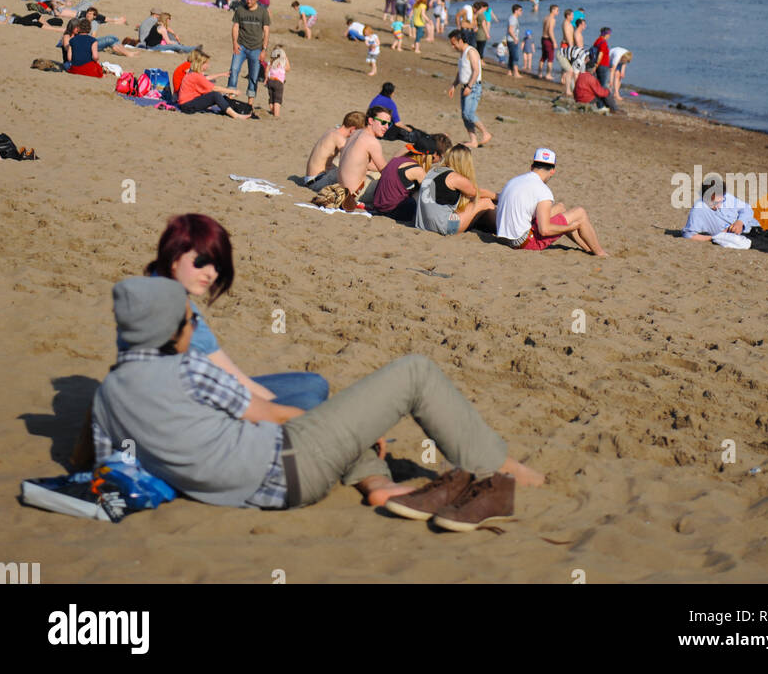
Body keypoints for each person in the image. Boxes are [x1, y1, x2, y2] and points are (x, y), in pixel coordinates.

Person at [93, 276, 543, 524]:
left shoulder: (108, 396)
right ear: (169, 326)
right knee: (414, 373)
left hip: (249, 492)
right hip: (290, 467)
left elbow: (98, 460)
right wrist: (357, 428)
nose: (194, 324)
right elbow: (271, 415)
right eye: (189, 318)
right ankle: (497, 469)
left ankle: (377, 484)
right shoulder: (188, 368)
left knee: (330, 411)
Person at [138, 215, 328, 409]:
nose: (211, 273)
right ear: (174, 257)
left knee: (316, 384)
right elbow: (221, 383)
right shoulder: (166, 309)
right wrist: (275, 409)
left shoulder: (169, 292)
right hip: (189, 409)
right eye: (201, 261)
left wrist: (273, 405)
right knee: (308, 404)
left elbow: (225, 370)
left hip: (210, 390)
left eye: (217, 265)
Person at [494, 149, 608, 254]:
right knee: (580, 213)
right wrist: (570, 227)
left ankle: (587, 248)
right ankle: (600, 253)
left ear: (531, 167)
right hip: (522, 242)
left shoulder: (514, 180)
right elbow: (544, 230)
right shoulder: (543, 190)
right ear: (552, 171)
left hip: (504, 237)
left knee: (560, 208)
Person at [414, 144, 496, 236]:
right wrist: (497, 196)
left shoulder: (433, 171)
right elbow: (476, 192)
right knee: (485, 202)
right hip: (443, 226)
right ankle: (501, 230)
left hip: (424, 224)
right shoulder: (454, 178)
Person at [374, 136, 452, 221]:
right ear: (427, 156)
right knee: (423, 195)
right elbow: (432, 196)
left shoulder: (398, 159)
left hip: (378, 206)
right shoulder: (418, 170)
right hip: (391, 211)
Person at [338, 106, 392, 209]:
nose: (386, 127)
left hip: (342, 190)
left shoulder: (356, 133)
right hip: (355, 194)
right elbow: (387, 173)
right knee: (395, 184)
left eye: (389, 124)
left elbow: (362, 163)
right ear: (371, 120)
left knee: (375, 174)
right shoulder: (372, 141)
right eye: (383, 123)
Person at [178, 49, 253, 119]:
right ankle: (235, 115)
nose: (208, 65)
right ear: (201, 64)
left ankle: (233, 110)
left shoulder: (193, 73)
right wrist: (233, 91)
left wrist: (222, 74)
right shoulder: (196, 76)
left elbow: (207, 78)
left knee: (216, 94)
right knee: (215, 95)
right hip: (187, 106)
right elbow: (214, 88)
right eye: (206, 63)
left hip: (186, 104)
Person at [447, 30, 491, 148]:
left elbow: (476, 71)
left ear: (460, 41)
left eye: (454, 43)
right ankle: (473, 140)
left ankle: (486, 133)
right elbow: (460, 71)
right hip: (464, 86)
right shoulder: (462, 53)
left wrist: (470, 87)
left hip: (474, 86)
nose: (453, 46)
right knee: (464, 115)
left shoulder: (471, 51)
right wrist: (454, 85)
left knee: (469, 113)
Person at [304, 112, 366, 193]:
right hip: (316, 182)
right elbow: (351, 158)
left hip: (311, 178)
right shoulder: (338, 138)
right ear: (353, 130)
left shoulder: (332, 132)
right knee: (350, 169)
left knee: (338, 163)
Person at [228, 0, 270, 106]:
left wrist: (264, 49)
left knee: (253, 76)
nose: (249, 1)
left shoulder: (263, 12)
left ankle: (249, 104)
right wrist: (235, 43)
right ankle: (230, 98)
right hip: (241, 47)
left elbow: (266, 31)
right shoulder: (240, 10)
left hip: (256, 49)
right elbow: (235, 27)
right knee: (234, 71)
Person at [266, 46, 290, 118]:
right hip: (278, 82)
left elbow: (267, 69)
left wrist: (266, 78)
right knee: (277, 99)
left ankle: (272, 110)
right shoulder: (282, 62)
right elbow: (288, 68)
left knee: (271, 97)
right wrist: (286, 59)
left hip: (270, 81)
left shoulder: (271, 61)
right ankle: (276, 115)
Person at [539, 4, 559, 81]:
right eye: (557, 10)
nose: (558, 12)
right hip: (548, 39)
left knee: (543, 56)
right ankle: (548, 74)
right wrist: (554, 42)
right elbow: (550, 31)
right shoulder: (552, 19)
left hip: (543, 38)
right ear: (553, 10)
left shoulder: (546, 17)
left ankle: (540, 73)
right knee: (550, 58)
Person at [506, 4, 523, 79]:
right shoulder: (513, 18)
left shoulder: (513, 18)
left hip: (511, 39)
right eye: (520, 10)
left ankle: (509, 71)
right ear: (516, 11)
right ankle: (516, 72)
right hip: (512, 40)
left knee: (511, 56)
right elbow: (510, 30)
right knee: (515, 56)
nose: (521, 12)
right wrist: (515, 38)